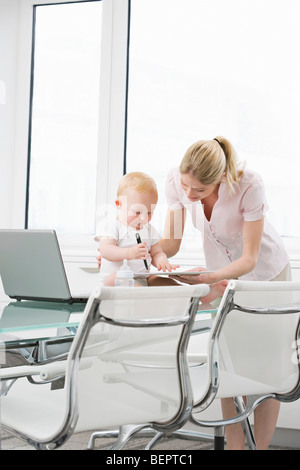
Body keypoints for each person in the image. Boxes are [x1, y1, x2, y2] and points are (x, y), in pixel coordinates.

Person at [158, 136, 291, 450]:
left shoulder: (248, 185)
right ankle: (235, 446)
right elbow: (171, 243)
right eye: (185, 186)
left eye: (199, 191)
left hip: (267, 276)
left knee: (267, 365)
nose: (189, 195)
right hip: (221, 275)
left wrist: (211, 278)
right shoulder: (177, 182)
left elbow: (250, 258)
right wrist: (135, 249)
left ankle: (258, 447)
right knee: (228, 362)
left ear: (219, 178)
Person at [95, 171, 180, 287]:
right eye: (138, 212)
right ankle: (143, 294)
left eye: (149, 212)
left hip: (142, 277)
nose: (144, 218)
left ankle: (183, 293)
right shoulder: (112, 226)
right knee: (113, 278)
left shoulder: (149, 230)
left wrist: (162, 261)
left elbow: (156, 252)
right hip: (119, 278)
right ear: (119, 204)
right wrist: (129, 253)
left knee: (164, 281)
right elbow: (105, 250)